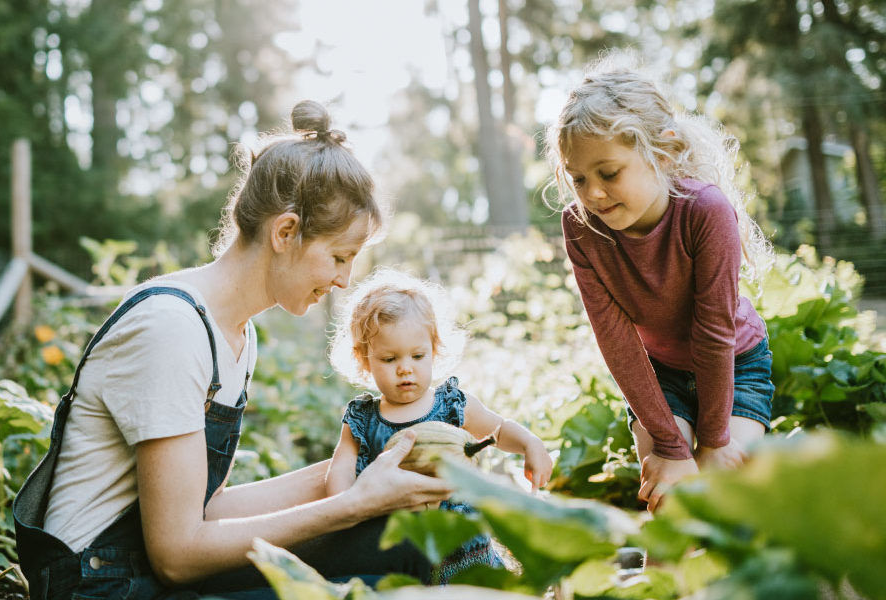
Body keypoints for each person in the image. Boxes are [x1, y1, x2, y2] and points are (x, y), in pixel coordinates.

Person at [12, 100, 454, 600]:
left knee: (405, 546)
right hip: (102, 587)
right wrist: (351, 505)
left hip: (147, 570)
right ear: (285, 232)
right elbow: (177, 555)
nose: (343, 280)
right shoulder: (173, 329)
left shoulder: (235, 332)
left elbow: (208, 510)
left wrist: (366, 468)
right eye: (338, 256)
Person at [544, 55, 777, 513]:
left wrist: (712, 442)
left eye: (609, 173)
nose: (592, 193)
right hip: (659, 376)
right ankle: (659, 585)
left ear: (663, 153)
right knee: (671, 502)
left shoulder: (704, 211)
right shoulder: (582, 228)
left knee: (719, 498)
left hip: (736, 364)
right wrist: (671, 447)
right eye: (578, 179)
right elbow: (616, 342)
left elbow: (714, 334)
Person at [325, 268, 553, 583]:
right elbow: (339, 473)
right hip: (402, 552)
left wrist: (529, 444)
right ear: (365, 359)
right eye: (389, 360)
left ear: (434, 350)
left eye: (418, 356)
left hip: (466, 551)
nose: (405, 369)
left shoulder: (451, 406)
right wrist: (346, 509)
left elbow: (497, 429)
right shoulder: (362, 420)